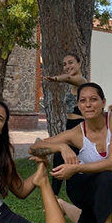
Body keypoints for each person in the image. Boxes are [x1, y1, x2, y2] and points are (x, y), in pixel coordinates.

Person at [29, 83, 112, 223]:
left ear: (103, 102)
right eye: (83, 101)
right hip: (81, 186)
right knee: (107, 178)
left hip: (108, 187)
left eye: (93, 99)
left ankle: (63, 206)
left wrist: (75, 167)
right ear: (79, 106)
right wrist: (61, 146)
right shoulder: (76, 133)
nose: (88, 104)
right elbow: (35, 147)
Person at [45, 53, 87, 195]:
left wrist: (56, 79)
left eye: (70, 63)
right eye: (65, 64)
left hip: (79, 126)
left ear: (79, 64)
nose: (67, 66)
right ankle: (58, 194)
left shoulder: (81, 81)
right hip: (71, 126)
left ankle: (53, 195)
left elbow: (69, 78)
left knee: (59, 157)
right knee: (65, 158)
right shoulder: (73, 86)